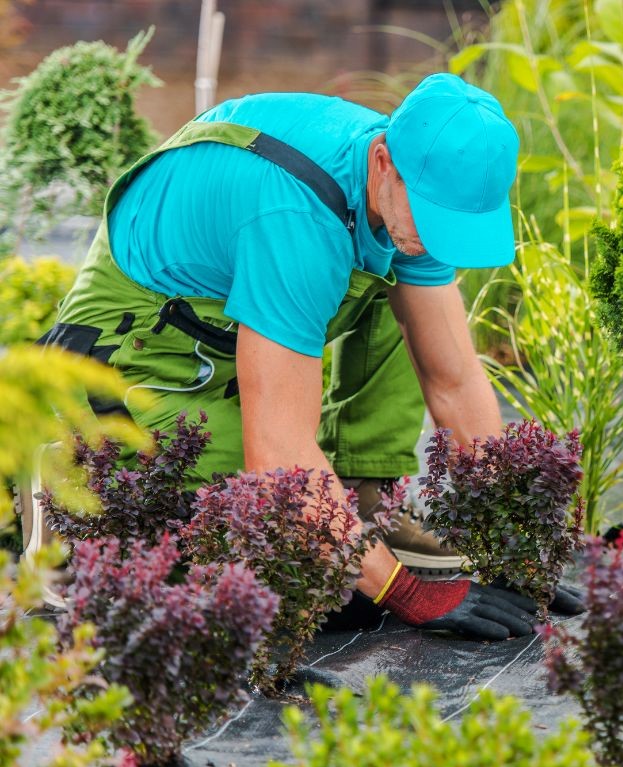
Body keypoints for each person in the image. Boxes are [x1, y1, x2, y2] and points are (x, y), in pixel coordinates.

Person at [36, 73, 579, 639]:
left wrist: (513, 547)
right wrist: (406, 592)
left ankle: (365, 504)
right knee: (248, 568)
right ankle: (66, 477)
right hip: (138, 345)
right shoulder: (295, 217)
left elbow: (455, 381)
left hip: (230, 316)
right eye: (432, 218)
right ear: (383, 160)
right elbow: (279, 455)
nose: (437, 240)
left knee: (406, 294)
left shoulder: (406, 197)